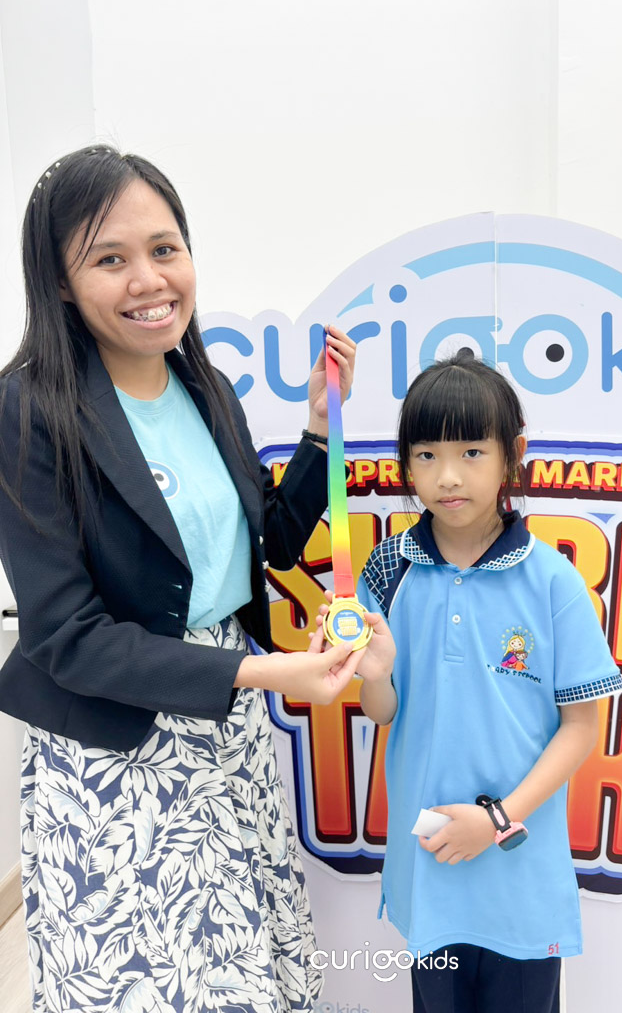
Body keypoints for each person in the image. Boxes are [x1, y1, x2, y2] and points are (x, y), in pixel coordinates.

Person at [0, 145, 363, 1013]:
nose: (149, 280)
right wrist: (263, 671)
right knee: (148, 987)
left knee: (247, 971)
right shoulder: (29, 409)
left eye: (164, 249)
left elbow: (270, 542)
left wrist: (320, 430)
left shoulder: (207, 388)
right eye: (109, 259)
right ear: (60, 284)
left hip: (229, 736)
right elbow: (66, 637)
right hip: (113, 752)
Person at [348, 349, 622, 1013]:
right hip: (430, 866)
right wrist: (375, 674)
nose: (447, 476)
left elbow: (581, 727)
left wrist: (497, 819)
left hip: (519, 881)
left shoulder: (552, 580)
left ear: (512, 454)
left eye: (472, 452)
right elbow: (381, 711)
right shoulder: (387, 569)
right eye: (426, 455)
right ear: (405, 462)